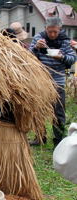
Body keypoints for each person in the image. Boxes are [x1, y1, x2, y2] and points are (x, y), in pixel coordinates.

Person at [29, 17, 77, 147]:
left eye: (55, 32)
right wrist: (36, 48)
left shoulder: (65, 41)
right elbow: (28, 57)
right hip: (41, 80)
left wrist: (61, 57)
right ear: (45, 29)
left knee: (58, 112)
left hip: (58, 80)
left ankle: (58, 141)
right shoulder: (39, 38)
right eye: (50, 31)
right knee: (38, 110)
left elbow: (72, 59)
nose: (52, 34)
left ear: (59, 30)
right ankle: (39, 137)